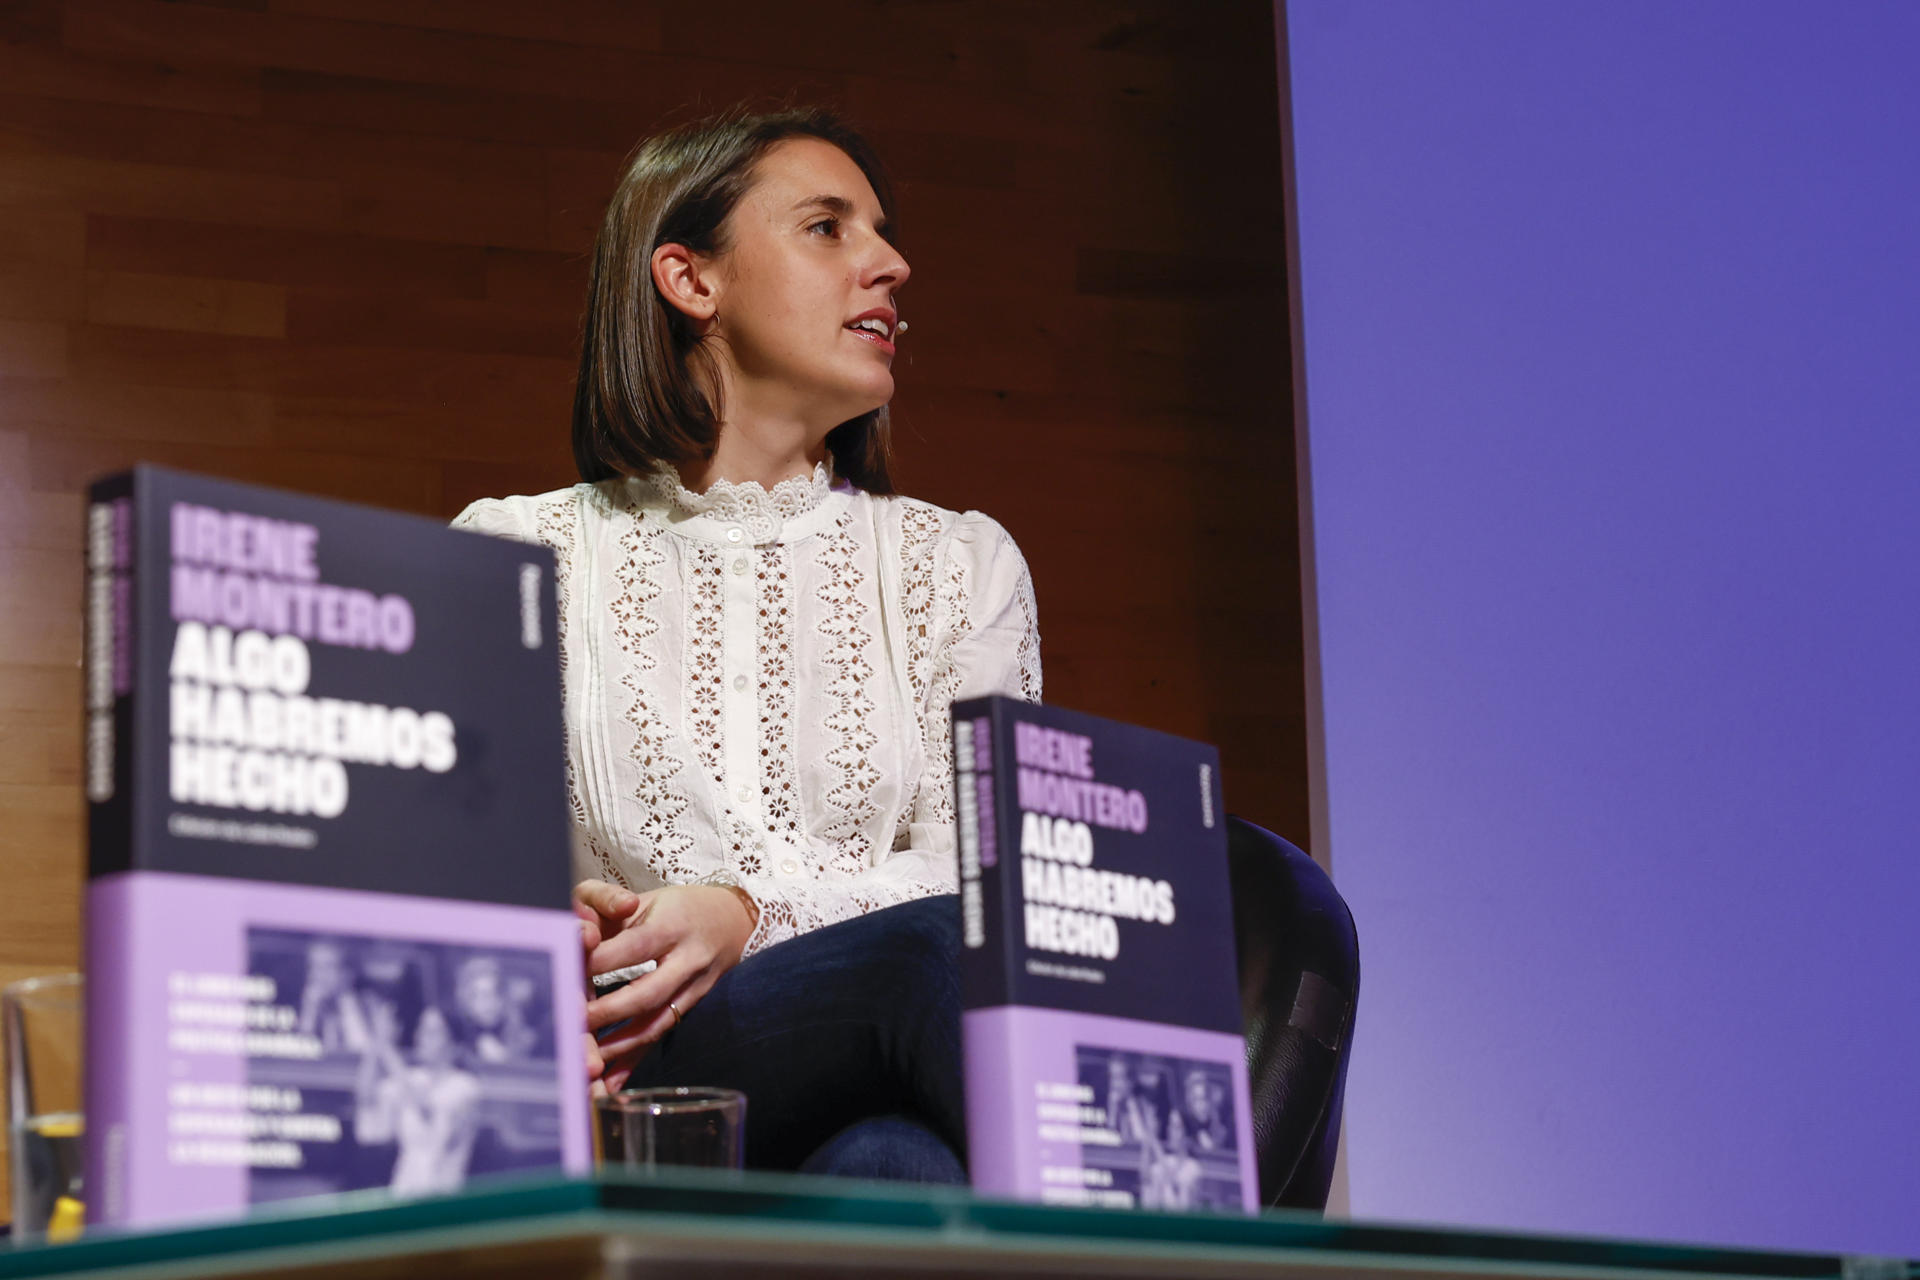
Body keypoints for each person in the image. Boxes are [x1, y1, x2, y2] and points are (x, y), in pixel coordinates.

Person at [451, 107, 1041, 1180]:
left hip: (867, 1062)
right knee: (919, 966)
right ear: (690, 280)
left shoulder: (962, 565)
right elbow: (448, 887)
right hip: (630, 1069)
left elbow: (987, 881)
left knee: (890, 1162)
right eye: (828, 227)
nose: (893, 264)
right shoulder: (515, 553)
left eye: (883, 230)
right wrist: (572, 922)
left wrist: (748, 912)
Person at [354, 1001, 482, 1195]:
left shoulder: (466, 1087)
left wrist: (386, 1048)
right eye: (421, 1030)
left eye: (432, 1032)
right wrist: (375, 1045)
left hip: (442, 1201)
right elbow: (366, 1098)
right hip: (403, 1193)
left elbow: (426, 1110)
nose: (421, 1037)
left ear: (455, 1045)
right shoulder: (413, 1078)